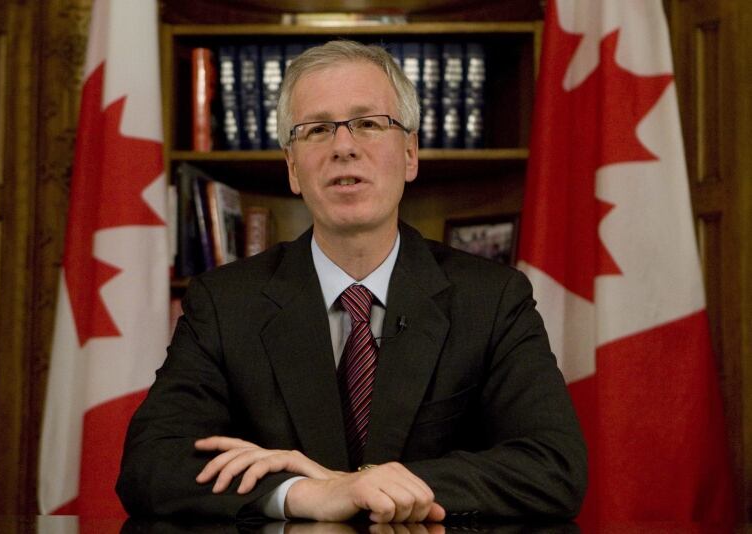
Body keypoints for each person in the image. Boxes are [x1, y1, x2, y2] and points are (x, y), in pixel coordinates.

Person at [116, 40, 586, 524]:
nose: (344, 146)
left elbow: (553, 466)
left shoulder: (491, 299)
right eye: (317, 129)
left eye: (368, 124)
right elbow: (151, 462)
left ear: (409, 154)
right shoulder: (224, 303)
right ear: (293, 168)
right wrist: (301, 493)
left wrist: (366, 488)